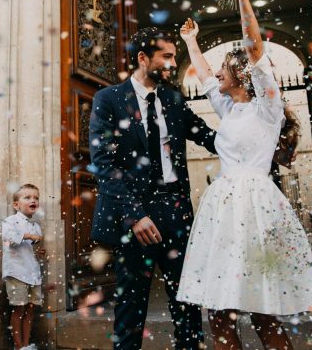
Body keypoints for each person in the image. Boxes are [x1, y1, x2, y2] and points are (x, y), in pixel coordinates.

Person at [176, 0, 312, 350]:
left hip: (256, 208)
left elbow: (253, 45)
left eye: (225, 68)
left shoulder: (266, 107)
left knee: (260, 307)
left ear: (243, 74)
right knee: (219, 309)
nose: (217, 73)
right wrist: (191, 42)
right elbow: (204, 76)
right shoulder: (230, 107)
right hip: (223, 209)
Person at [88, 25, 217, 350]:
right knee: (131, 310)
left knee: (187, 306)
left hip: (177, 213)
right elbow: (103, 162)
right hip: (135, 218)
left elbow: (207, 136)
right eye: (167, 56)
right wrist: (134, 215)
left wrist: (251, 128)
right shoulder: (109, 99)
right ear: (143, 58)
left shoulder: (173, 99)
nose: (174, 64)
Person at [2, 184, 45, 350]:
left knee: (30, 310)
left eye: (35, 198)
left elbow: (29, 249)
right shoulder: (10, 221)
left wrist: (38, 251)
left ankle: (27, 345)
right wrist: (27, 235)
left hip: (32, 273)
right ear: (16, 205)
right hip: (17, 273)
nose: (33, 200)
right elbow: (8, 238)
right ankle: (18, 346)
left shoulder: (36, 225)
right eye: (27, 197)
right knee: (19, 309)